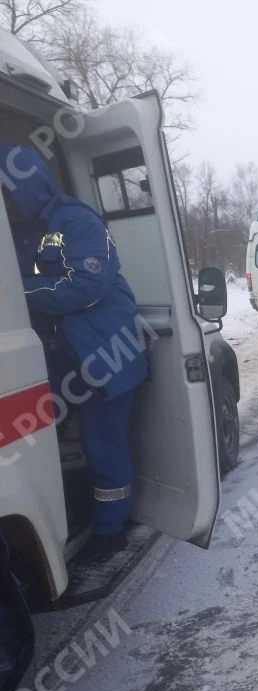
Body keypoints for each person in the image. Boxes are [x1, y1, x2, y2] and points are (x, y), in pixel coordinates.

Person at [2, 145, 148, 563]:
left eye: (6, 192)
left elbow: (85, 286)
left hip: (107, 355)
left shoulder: (76, 221)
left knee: (103, 445)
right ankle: (72, 516)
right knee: (40, 438)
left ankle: (110, 531)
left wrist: (17, 295)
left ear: (24, 186)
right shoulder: (22, 232)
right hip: (66, 355)